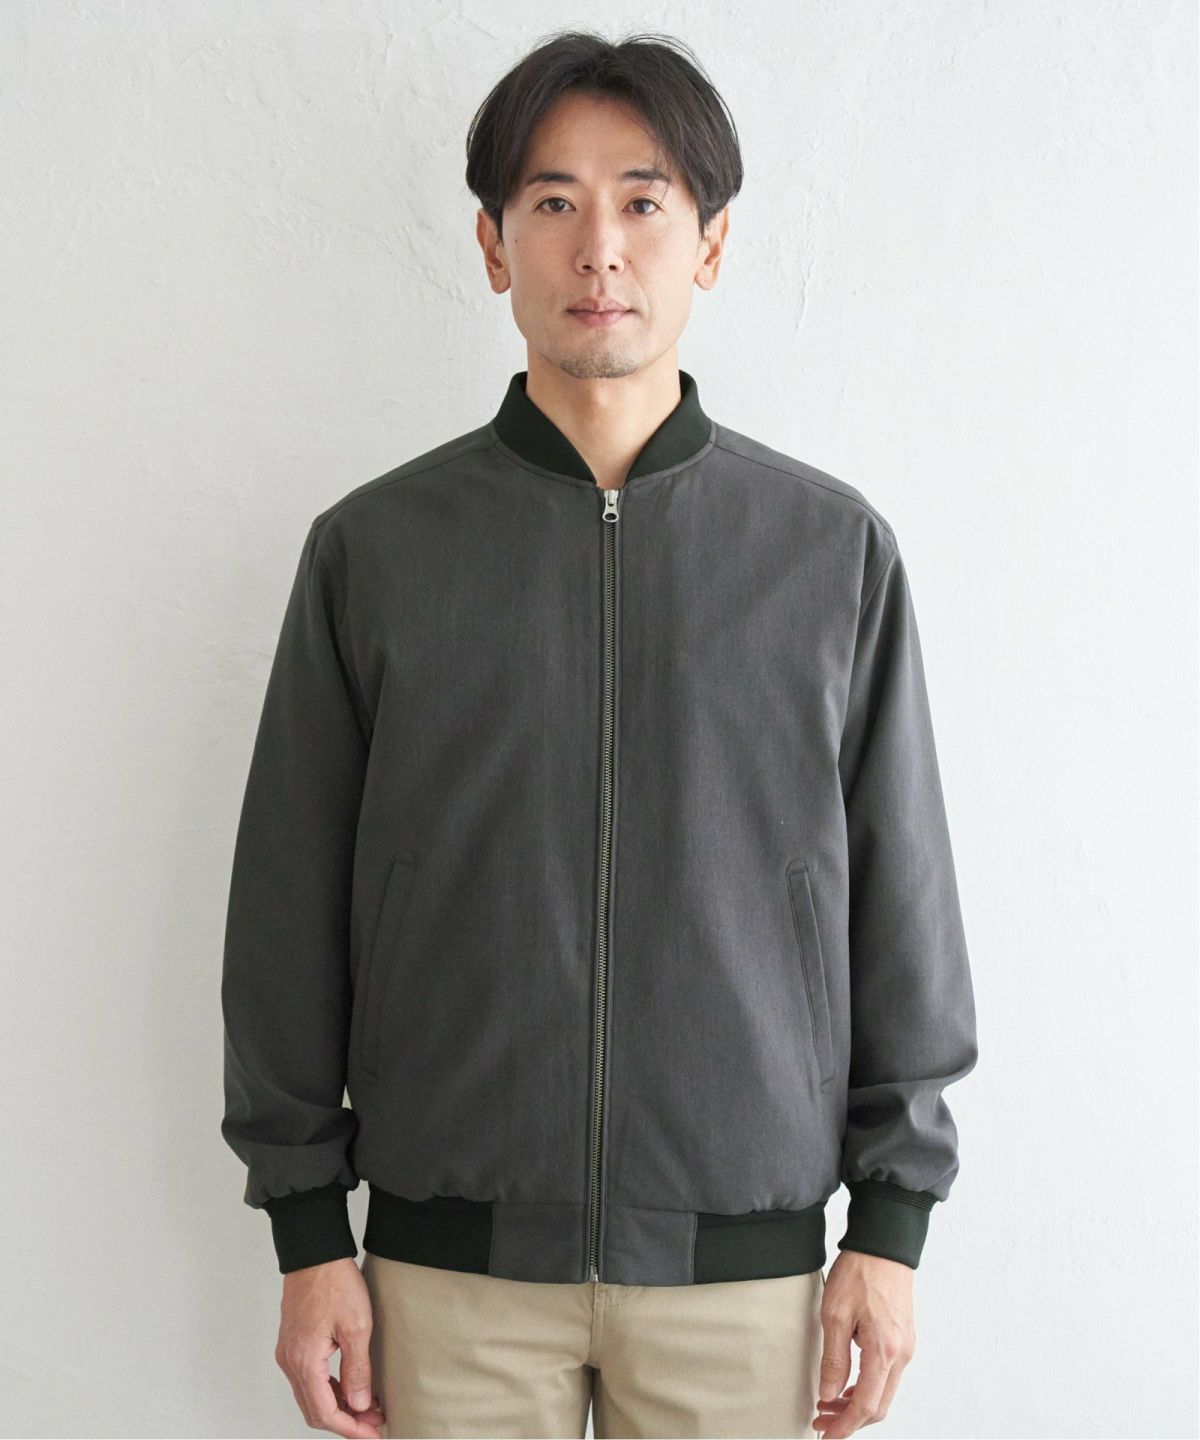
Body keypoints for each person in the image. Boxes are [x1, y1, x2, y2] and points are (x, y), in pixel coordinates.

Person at [220, 27, 978, 1440]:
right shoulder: (375, 552)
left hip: (740, 1275)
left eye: (644, 201)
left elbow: (904, 901)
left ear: (712, 244)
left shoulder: (829, 554)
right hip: (448, 1269)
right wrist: (309, 1230)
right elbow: (286, 906)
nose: (601, 249)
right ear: (493, 244)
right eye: (554, 201)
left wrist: (892, 1222)